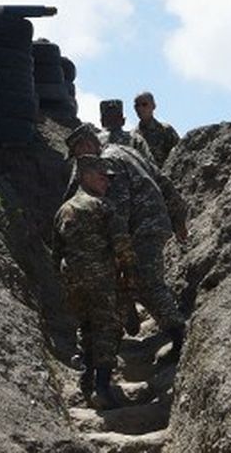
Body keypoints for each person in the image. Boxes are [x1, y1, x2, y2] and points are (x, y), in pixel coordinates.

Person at [63, 123, 188, 359]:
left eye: (78, 153)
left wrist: (114, 244)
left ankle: (180, 337)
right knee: (139, 279)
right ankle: (136, 323)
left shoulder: (107, 162)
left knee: (146, 282)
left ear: (87, 145)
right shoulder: (126, 150)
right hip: (154, 222)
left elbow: (118, 207)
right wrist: (178, 217)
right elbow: (163, 181)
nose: (79, 160)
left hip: (142, 228)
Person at [51, 154, 137, 408]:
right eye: (102, 177)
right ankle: (102, 389)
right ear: (85, 176)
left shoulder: (63, 210)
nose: (107, 183)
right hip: (103, 280)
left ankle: (87, 382)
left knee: (86, 327)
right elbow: (122, 246)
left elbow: (56, 253)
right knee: (107, 330)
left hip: (73, 282)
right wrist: (130, 279)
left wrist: (64, 282)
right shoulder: (103, 206)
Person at [133, 91, 180, 167]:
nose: (140, 108)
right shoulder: (132, 136)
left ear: (153, 106)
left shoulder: (166, 130)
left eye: (144, 104)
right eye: (137, 105)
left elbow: (179, 154)